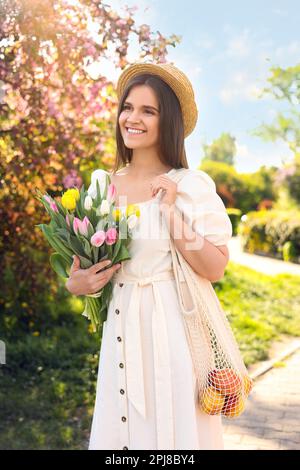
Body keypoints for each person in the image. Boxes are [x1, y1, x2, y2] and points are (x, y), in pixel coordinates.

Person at [66, 61, 233, 450]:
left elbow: (215, 267)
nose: (132, 118)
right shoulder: (101, 184)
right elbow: (88, 270)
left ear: (168, 121)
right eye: (128, 107)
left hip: (172, 333)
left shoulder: (190, 184)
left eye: (148, 110)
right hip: (120, 331)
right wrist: (79, 284)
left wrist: (171, 213)